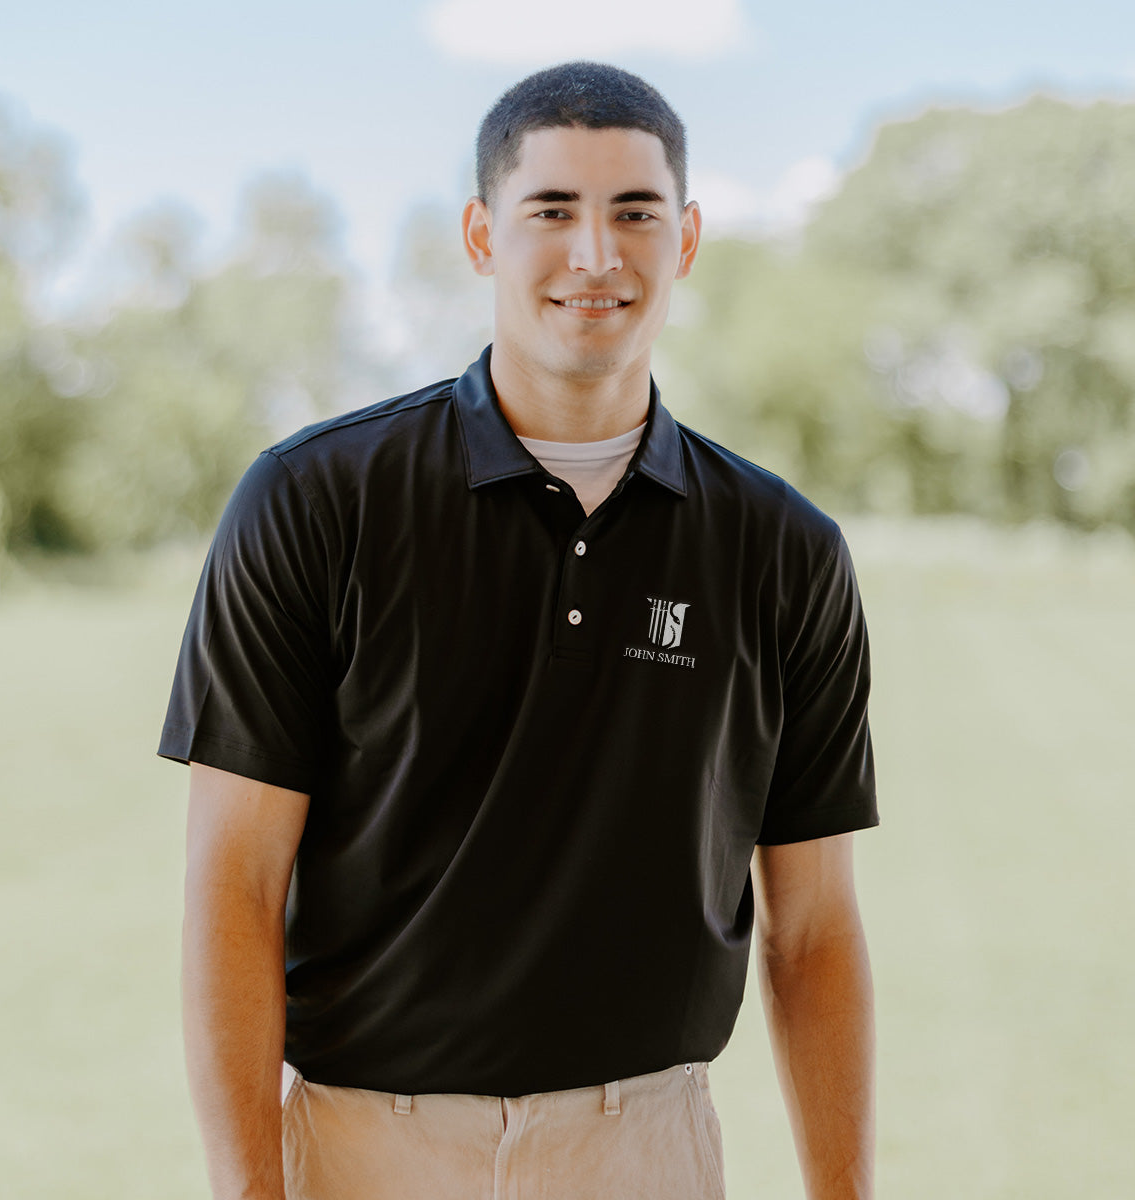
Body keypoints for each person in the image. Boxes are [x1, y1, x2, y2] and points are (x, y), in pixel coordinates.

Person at [160, 61, 879, 1200]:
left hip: (649, 1150)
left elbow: (816, 928)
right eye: (551, 210)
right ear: (483, 235)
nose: (596, 253)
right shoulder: (313, 500)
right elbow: (233, 886)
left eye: (635, 212)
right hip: (362, 1149)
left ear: (684, 239)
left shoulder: (784, 549)